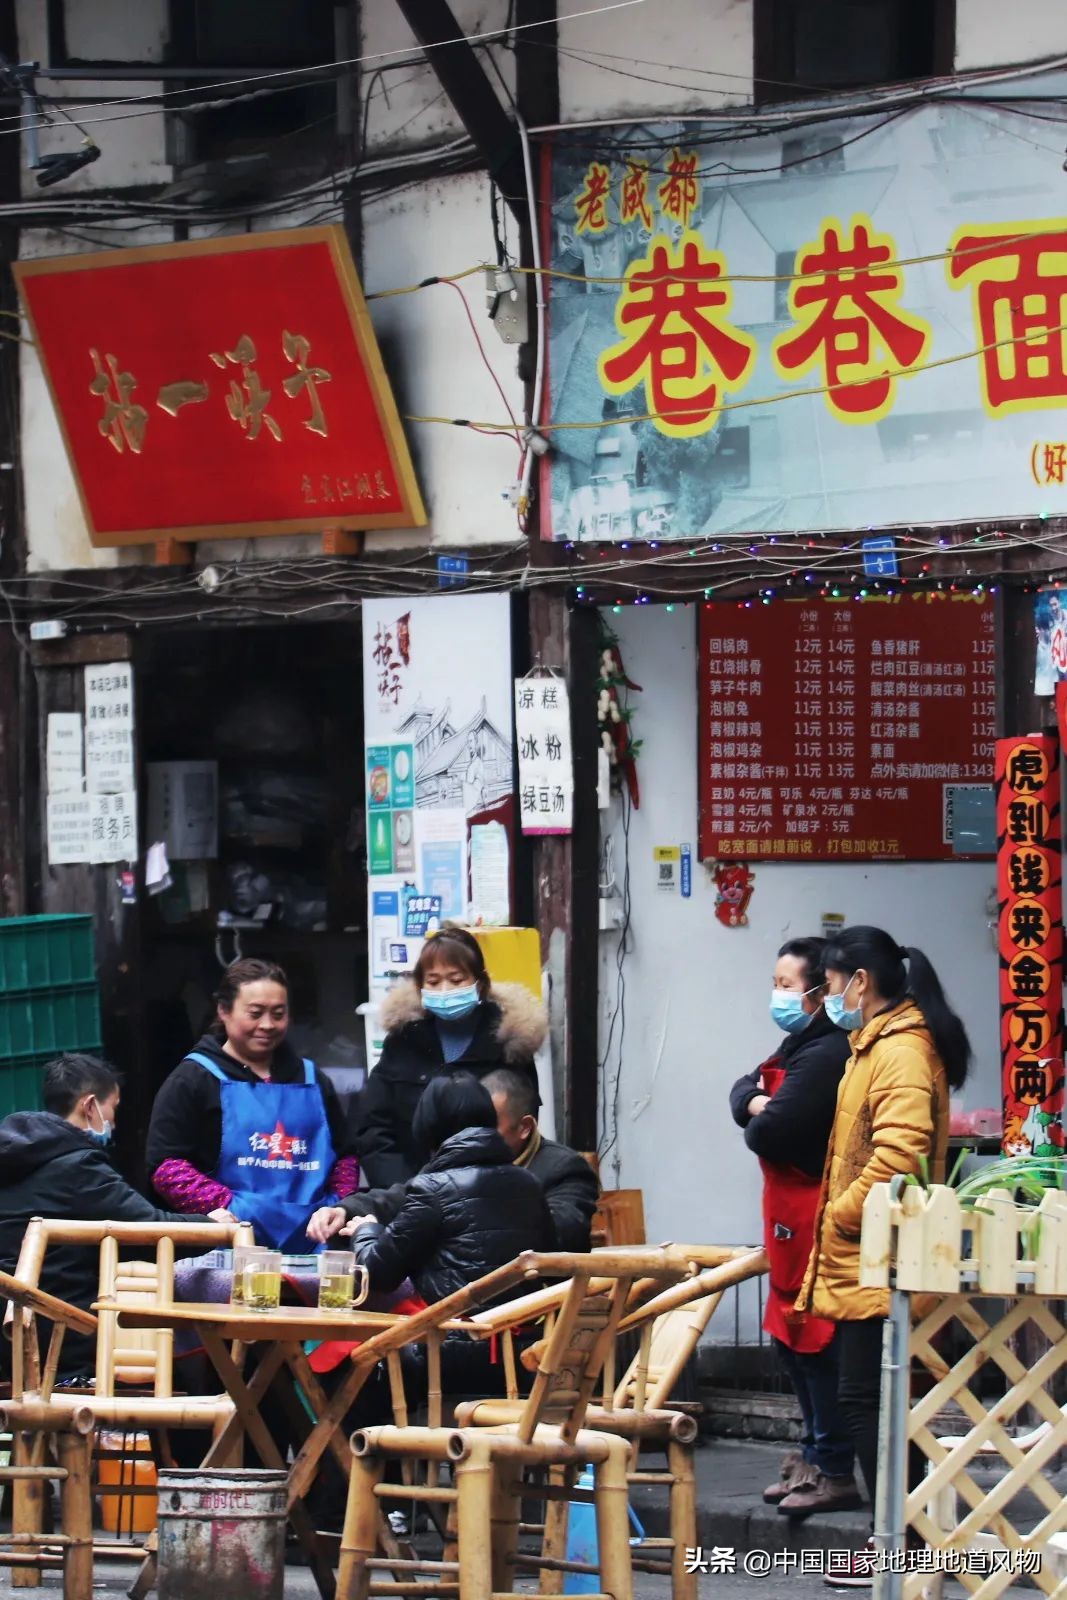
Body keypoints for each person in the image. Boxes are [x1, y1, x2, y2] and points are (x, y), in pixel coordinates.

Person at [796, 926, 970, 1587]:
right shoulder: (878, 1044)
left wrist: (840, 1216)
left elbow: (898, 1155)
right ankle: (905, 1533)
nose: (826, 996)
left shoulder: (896, 1050)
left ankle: (898, 1538)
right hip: (869, 1252)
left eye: (830, 984)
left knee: (864, 1397)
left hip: (879, 1252)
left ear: (859, 983)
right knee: (870, 1396)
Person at [729, 938, 859, 1518]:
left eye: (789, 985)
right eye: (776, 983)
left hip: (816, 1214)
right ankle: (812, 1453)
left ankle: (833, 1466)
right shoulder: (797, 1043)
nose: (778, 995)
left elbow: (768, 1131)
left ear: (821, 991)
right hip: (785, 1216)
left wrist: (758, 1109)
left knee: (814, 1346)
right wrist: (755, 1102)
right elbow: (740, 1091)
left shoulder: (827, 1053)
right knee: (789, 1341)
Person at [0, 1054, 227, 1381]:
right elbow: (144, 1230)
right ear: (90, 1106)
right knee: (187, 1371)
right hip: (61, 1343)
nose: (114, 1123)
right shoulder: (75, 1167)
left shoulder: (20, 1158)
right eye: (113, 1109)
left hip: (15, 1340)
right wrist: (213, 1227)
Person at [147, 958, 359, 1251]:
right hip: (230, 1242)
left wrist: (337, 1206)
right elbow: (166, 1167)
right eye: (255, 1013)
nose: (267, 1025)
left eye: (278, 1013)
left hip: (314, 1243)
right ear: (224, 1010)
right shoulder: (194, 1078)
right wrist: (227, 1206)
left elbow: (345, 1157)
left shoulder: (312, 1079)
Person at [308, 1066, 600, 1253]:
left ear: (525, 1127)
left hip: (534, 1313)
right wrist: (345, 1209)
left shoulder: (563, 1169)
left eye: (488, 1125)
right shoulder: (461, 1160)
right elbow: (405, 1195)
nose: (474, 1135)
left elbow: (558, 1233)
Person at [353, 925, 545, 1188]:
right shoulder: (403, 1040)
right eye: (433, 981)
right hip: (409, 1194)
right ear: (420, 986)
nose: (444, 990)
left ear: (480, 983)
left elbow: (522, 1127)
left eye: (456, 980)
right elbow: (375, 1128)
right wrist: (404, 1191)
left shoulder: (509, 1042)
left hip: (488, 1194)